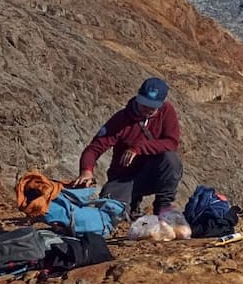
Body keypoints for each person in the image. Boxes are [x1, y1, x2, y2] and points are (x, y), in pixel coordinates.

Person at [71, 77, 183, 215]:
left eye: (152, 107)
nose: (147, 109)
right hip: (124, 177)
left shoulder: (166, 111)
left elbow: (171, 143)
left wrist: (138, 147)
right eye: (144, 104)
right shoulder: (121, 119)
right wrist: (86, 170)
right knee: (109, 210)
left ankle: (163, 210)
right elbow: (94, 148)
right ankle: (131, 204)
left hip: (152, 174)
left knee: (171, 159)